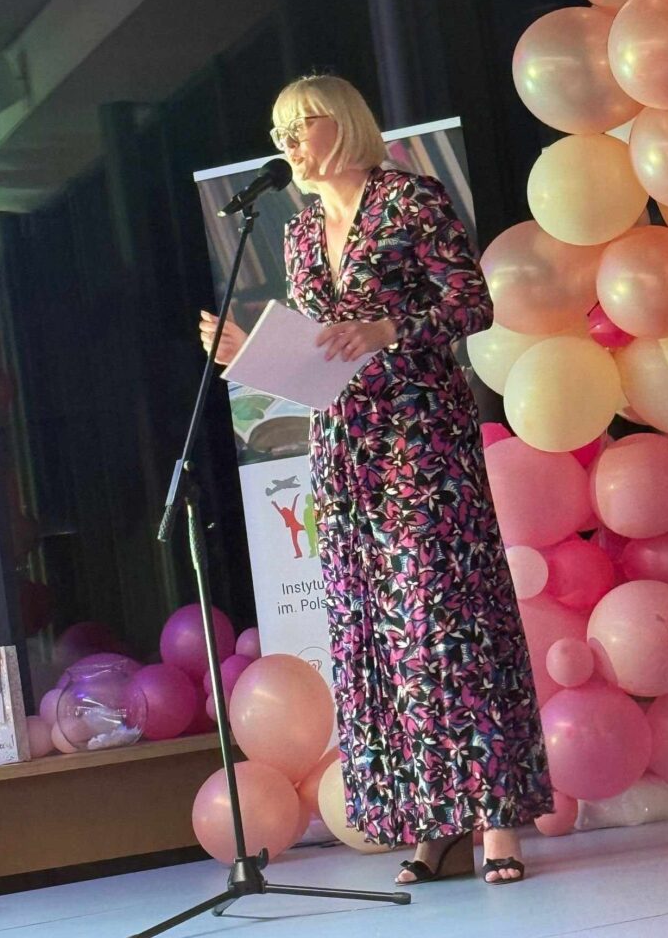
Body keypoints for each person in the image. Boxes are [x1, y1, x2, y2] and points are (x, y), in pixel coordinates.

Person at [200, 74, 553, 885]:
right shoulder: (296, 232)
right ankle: (428, 823)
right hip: (343, 447)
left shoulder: (408, 199)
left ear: (342, 124)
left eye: (301, 126)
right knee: (378, 635)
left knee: (448, 622)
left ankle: (496, 819)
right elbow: (316, 349)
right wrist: (249, 354)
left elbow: (470, 303)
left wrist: (387, 327)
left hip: (420, 439)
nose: (289, 144)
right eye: (279, 132)